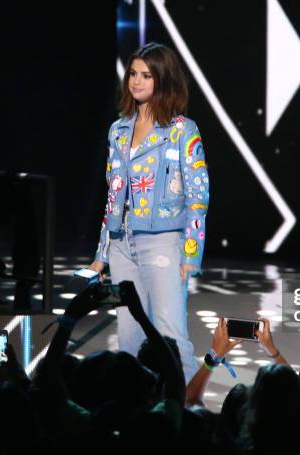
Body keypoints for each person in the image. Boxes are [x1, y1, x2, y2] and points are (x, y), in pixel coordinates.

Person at [88, 42, 209, 383]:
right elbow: (113, 196)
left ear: (164, 80)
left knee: (170, 336)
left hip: (164, 242)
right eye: (133, 74)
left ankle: (184, 416)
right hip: (122, 243)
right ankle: (134, 413)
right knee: (128, 338)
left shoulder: (182, 130)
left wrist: (191, 252)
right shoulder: (119, 130)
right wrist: (102, 254)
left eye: (146, 75)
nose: (136, 82)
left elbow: (198, 195)